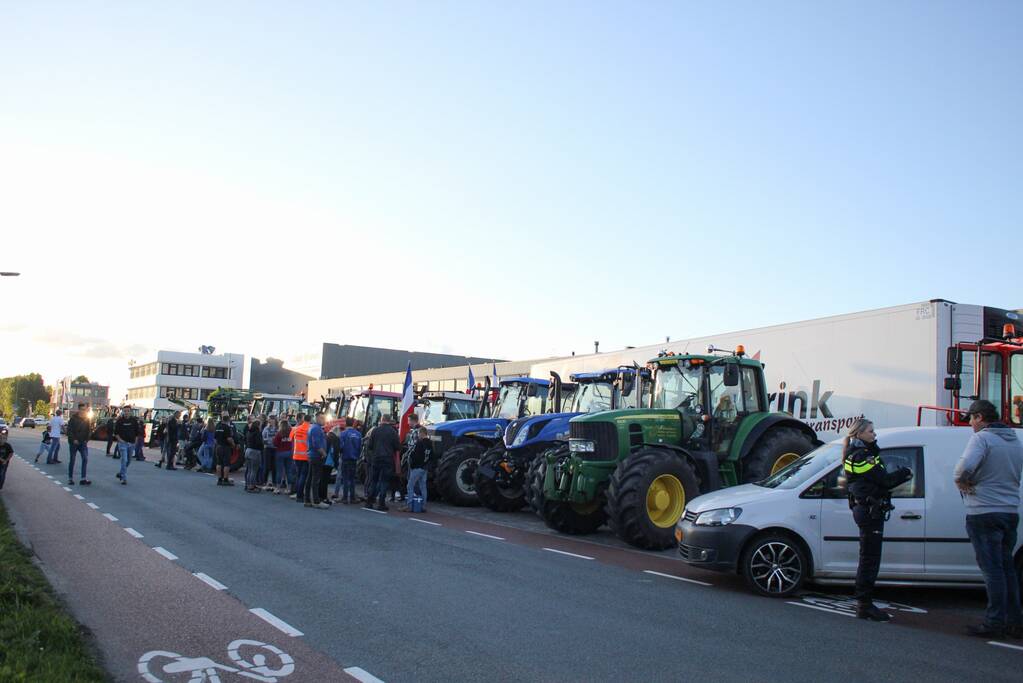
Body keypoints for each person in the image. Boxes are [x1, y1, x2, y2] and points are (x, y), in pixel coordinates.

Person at [954, 399, 1023, 638]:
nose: (970, 423)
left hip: (983, 511)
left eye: (971, 418)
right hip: (1010, 511)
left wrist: (961, 482)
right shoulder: (1016, 441)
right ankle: (1015, 621)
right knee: (1007, 570)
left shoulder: (981, 439)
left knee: (992, 570)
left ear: (980, 417)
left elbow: (963, 468)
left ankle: (994, 623)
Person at [842, 417, 912, 621]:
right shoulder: (863, 456)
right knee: (870, 559)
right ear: (859, 434)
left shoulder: (858, 453)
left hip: (865, 507)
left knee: (868, 557)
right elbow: (885, 480)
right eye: (871, 431)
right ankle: (864, 604)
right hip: (869, 509)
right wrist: (906, 473)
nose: (874, 434)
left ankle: (864, 602)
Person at [364, 414, 401, 511]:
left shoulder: (375, 430)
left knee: (374, 480)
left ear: (382, 419)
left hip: (376, 458)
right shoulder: (393, 432)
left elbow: (370, 446)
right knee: (384, 481)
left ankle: (369, 501)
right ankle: (381, 503)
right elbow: (397, 447)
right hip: (387, 459)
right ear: (389, 421)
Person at [403, 425, 432, 512]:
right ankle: (423, 506)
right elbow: (432, 456)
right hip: (425, 468)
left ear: (422, 433)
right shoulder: (430, 444)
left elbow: (415, 455)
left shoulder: (419, 443)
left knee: (410, 485)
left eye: (419, 433)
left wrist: (412, 465)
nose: (418, 435)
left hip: (417, 467)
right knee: (423, 486)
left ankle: (409, 505)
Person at [333, 418, 361, 503]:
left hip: (345, 458)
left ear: (346, 424)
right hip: (354, 459)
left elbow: (340, 447)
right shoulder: (358, 434)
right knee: (352, 479)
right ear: (353, 424)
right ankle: (352, 497)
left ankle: (345, 497)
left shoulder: (343, 434)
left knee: (345, 478)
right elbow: (359, 447)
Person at [114, 407, 141, 486]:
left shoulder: (134, 421)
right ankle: (123, 478)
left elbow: (137, 432)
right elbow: (116, 433)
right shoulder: (120, 421)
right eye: (125, 411)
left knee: (129, 460)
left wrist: (135, 441)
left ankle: (121, 472)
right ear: (123, 412)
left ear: (130, 412)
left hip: (131, 443)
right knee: (124, 460)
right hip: (123, 443)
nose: (126, 412)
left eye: (128, 411)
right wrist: (120, 440)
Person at [66, 402, 92, 485]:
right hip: (74, 443)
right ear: (78, 410)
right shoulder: (73, 419)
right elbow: (69, 431)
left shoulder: (87, 419)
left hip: (83, 443)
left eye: (84, 410)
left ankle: (83, 479)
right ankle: (70, 478)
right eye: (81, 410)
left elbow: (89, 431)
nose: (83, 411)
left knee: (85, 458)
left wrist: (86, 440)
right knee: (72, 460)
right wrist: (73, 439)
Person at [290, 414, 311, 502]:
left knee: (299, 475)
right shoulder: (310, 429)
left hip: (296, 455)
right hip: (305, 456)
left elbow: (290, 438)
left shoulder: (295, 428)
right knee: (303, 476)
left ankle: (297, 493)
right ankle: (300, 495)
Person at [214, 412, 236, 486]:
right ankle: (226, 479)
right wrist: (233, 444)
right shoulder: (227, 427)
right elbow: (229, 438)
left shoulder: (218, 426)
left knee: (219, 463)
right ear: (228, 420)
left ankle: (219, 479)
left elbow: (215, 438)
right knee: (227, 464)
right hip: (226, 447)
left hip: (218, 446)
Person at [243, 416, 264, 492]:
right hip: (255, 452)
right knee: (254, 470)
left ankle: (248, 484)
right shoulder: (257, 432)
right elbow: (259, 443)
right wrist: (262, 446)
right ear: (258, 425)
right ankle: (252, 486)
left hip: (248, 451)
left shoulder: (249, 431)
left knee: (249, 470)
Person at [272, 421, 292, 495]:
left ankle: (278, 488)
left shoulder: (279, 434)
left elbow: (275, 443)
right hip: (289, 452)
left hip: (280, 452)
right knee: (288, 471)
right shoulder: (291, 432)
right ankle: (289, 488)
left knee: (279, 471)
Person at [260, 416, 278, 491]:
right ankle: (264, 482)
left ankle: (274, 482)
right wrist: (266, 441)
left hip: (275, 449)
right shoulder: (266, 428)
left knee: (274, 466)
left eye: (272, 419)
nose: (270, 421)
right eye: (269, 420)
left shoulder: (278, 429)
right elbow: (263, 437)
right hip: (267, 448)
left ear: (275, 420)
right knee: (266, 466)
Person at [324, 425, 340, 502]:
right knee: (326, 479)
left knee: (322, 479)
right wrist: (336, 464)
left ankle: (321, 496)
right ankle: (324, 497)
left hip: (323, 460)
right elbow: (336, 452)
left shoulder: (327, 436)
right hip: (329, 461)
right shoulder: (336, 439)